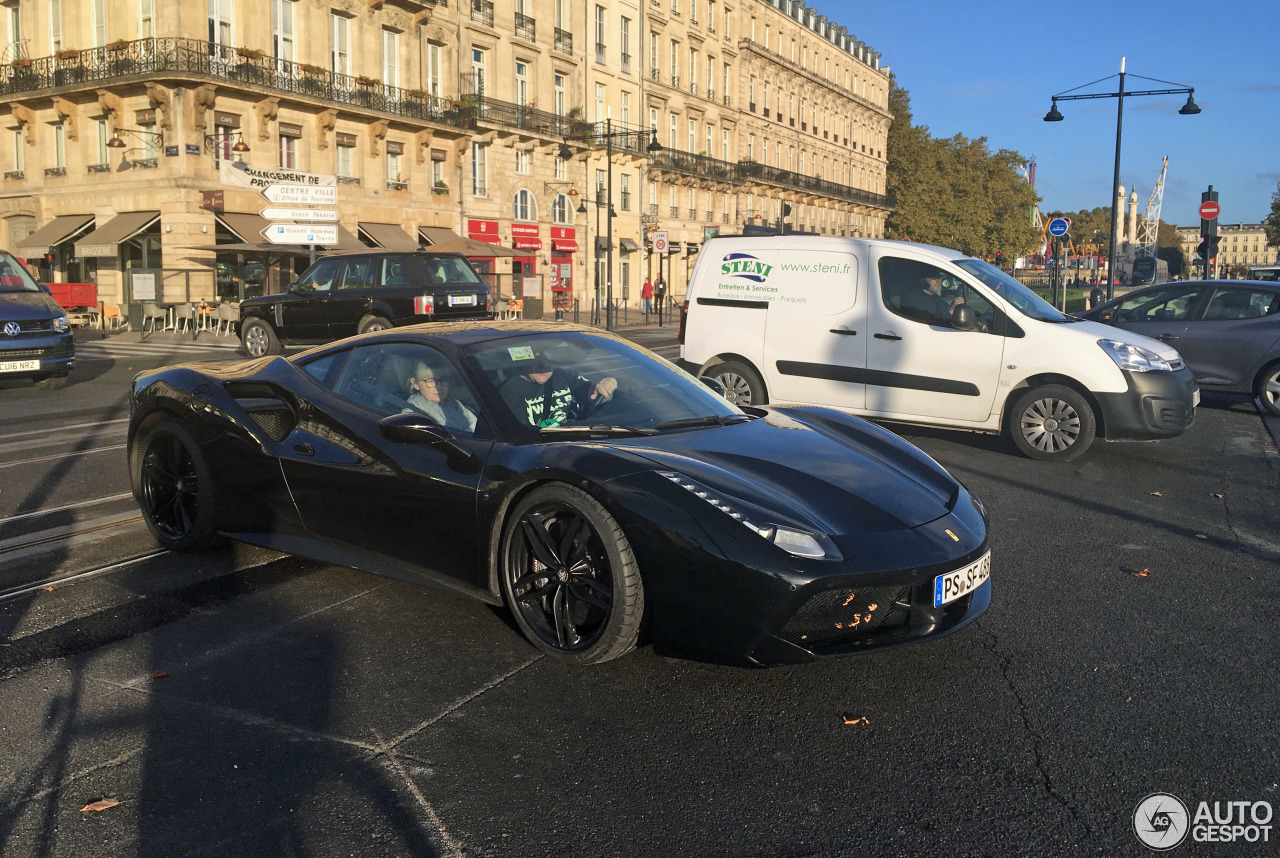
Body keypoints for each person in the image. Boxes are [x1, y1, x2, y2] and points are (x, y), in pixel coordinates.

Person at [498, 351, 617, 428]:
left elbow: (592, 394)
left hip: (583, 440)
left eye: (549, 358)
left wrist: (604, 390)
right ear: (524, 360)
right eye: (536, 359)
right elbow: (520, 435)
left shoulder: (563, 376)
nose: (543, 365)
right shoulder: (510, 391)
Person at [403, 360, 478, 433]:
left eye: (443, 380)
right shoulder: (412, 413)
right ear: (415, 384)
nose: (439, 387)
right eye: (430, 381)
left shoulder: (455, 405)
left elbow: (477, 428)